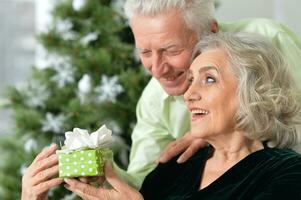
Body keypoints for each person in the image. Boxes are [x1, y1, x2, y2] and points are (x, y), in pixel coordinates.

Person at [21, 0, 301, 198]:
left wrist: (236, 128)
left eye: (170, 49)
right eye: (145, 52)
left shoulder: (284, 172)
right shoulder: (171, 166)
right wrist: (104, 177)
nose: (157, 68)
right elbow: (140, 183)